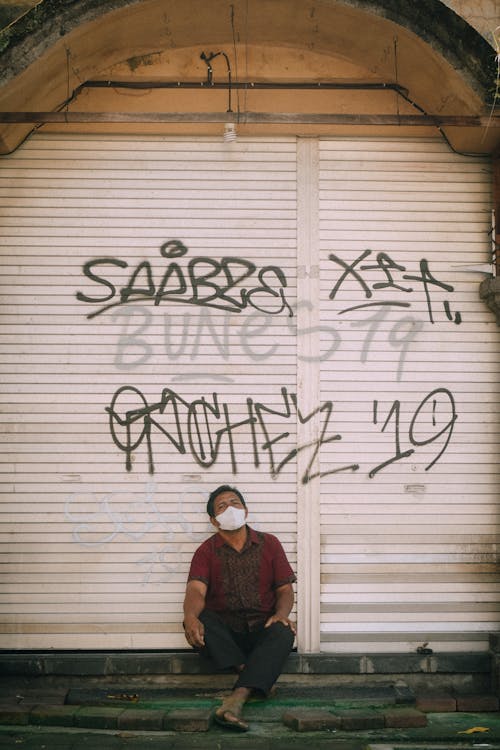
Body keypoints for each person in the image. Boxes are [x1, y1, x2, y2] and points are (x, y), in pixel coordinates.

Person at [183, 484, 296, 732]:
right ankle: (254, 676)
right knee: (198, 617)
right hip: (226, 636)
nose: (230, 509)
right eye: (222, 506)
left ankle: (236, 698)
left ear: (245, 510)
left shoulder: (270, 544)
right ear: (214, 521)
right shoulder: (205, 551)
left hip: (261, 631)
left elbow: (285, 590)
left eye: (235, 502)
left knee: (284, 630)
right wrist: (190, 616)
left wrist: (280, 615)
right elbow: (196, 590)